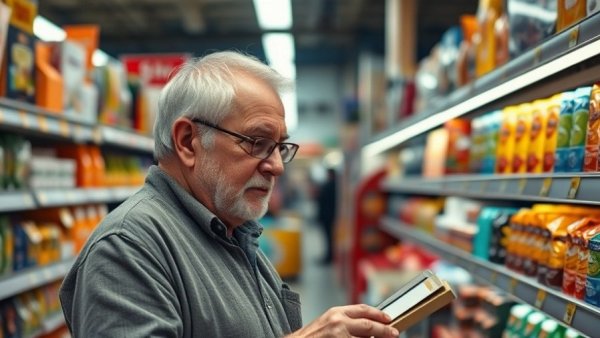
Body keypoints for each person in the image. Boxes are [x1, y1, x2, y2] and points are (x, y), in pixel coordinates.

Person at [59, 51, 400, 338]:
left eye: (280, 147)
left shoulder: (236, 232)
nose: (277, 166)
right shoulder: (128, 249)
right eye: (257, 143)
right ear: (188, 142)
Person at [316, 167, 337, 264]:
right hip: (332, 216)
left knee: (328, 237)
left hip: (327, 216)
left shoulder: (327, 186)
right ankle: (331, 255)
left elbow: (321, 200)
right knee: (330, 237)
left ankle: (329, 256)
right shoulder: (337, 187)